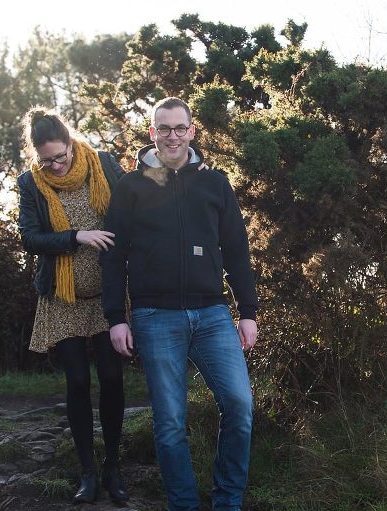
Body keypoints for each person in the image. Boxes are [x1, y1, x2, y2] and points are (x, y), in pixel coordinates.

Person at [101, 97, 258, 511]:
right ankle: (184, 505)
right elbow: (113, 257)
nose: (172, 136)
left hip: (212, 314)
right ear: (152, 133)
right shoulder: (131, 187)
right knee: (171, 424)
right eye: (164, 128)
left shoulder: (215, 183)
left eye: (179, 128)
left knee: (240, 406)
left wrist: (248, 312)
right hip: (155, 317)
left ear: (192, 131)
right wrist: (117, 318)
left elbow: (237, 251)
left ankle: (227, 503)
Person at [16, 107, 128, 505]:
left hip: (108, 297)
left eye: (60, 156)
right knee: (78, 382)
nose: (56, 166)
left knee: (112, 378)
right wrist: (76, 235)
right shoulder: (31, 184)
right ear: (36, 156)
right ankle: (87, 472)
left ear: (69, 141)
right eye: (47, 160)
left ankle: (114, 467)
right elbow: (30, 238)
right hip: (62, 300)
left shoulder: (103, 164)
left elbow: (132, 210)